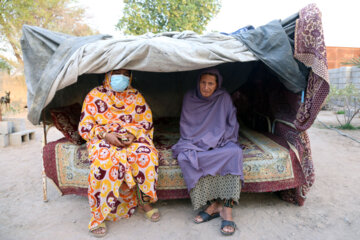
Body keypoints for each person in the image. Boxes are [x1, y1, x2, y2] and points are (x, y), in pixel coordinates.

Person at [79, 69, 160, 237]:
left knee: (146, 156)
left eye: (125, 73)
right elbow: (85, 126)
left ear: (130, 76)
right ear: (108, 73)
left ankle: (144, 202)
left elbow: (146, 121)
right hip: (103, 140)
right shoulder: (94, 95)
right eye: (117, 72)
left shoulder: (136, 95)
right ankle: (98, 215)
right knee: (105, 163)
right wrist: (105, 135)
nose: (121, 77)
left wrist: (132, 135)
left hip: (131, 139)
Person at [172, 68, 243, 236]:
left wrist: (218, 140)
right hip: (196, 142)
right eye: (203, 82)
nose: (206, 87)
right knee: (184, 157)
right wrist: (203, 142)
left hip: (219, 142)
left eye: (210, 83)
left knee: (235, 153)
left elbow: (231, 124)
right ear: (198, 83)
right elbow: (187, 127)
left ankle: (226, 208)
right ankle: (212, 204)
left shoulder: (223, 98)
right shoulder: (190, 97)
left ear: (217, 84)